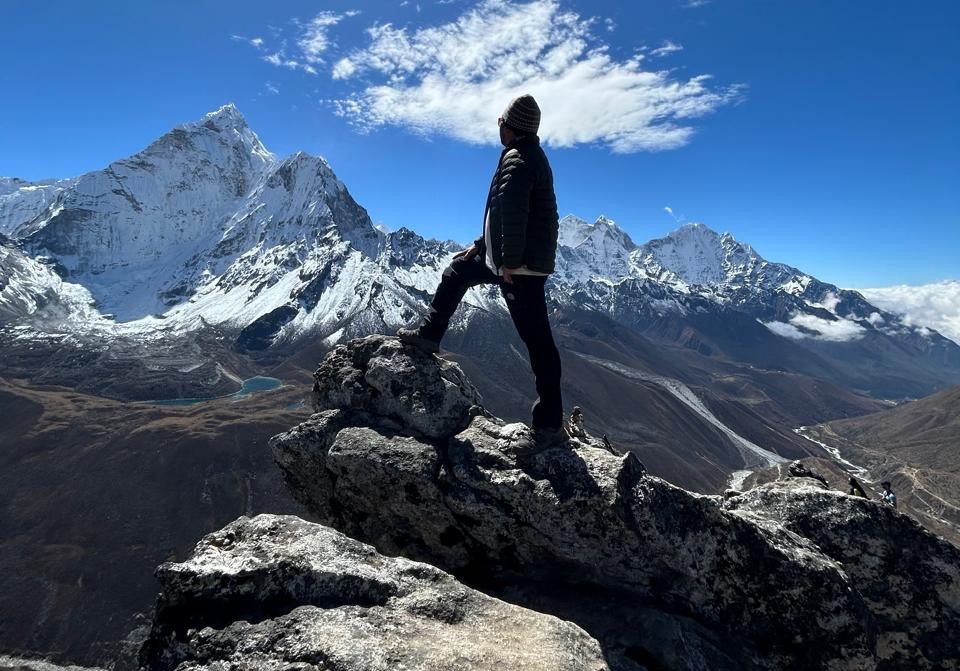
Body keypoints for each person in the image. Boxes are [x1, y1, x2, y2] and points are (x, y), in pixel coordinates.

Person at [397, 94, 564, 446]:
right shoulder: (524, 156)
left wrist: (508, 262)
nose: (498, 126)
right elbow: (501, 214)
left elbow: (514, 214)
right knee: (458, 271)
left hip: (519, 265)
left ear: (511, 125)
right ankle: (430, 335)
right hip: (509, 258)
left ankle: (548, 425)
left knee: (537, 342)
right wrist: (482, 245)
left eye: (501, 120)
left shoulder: (518, 160)